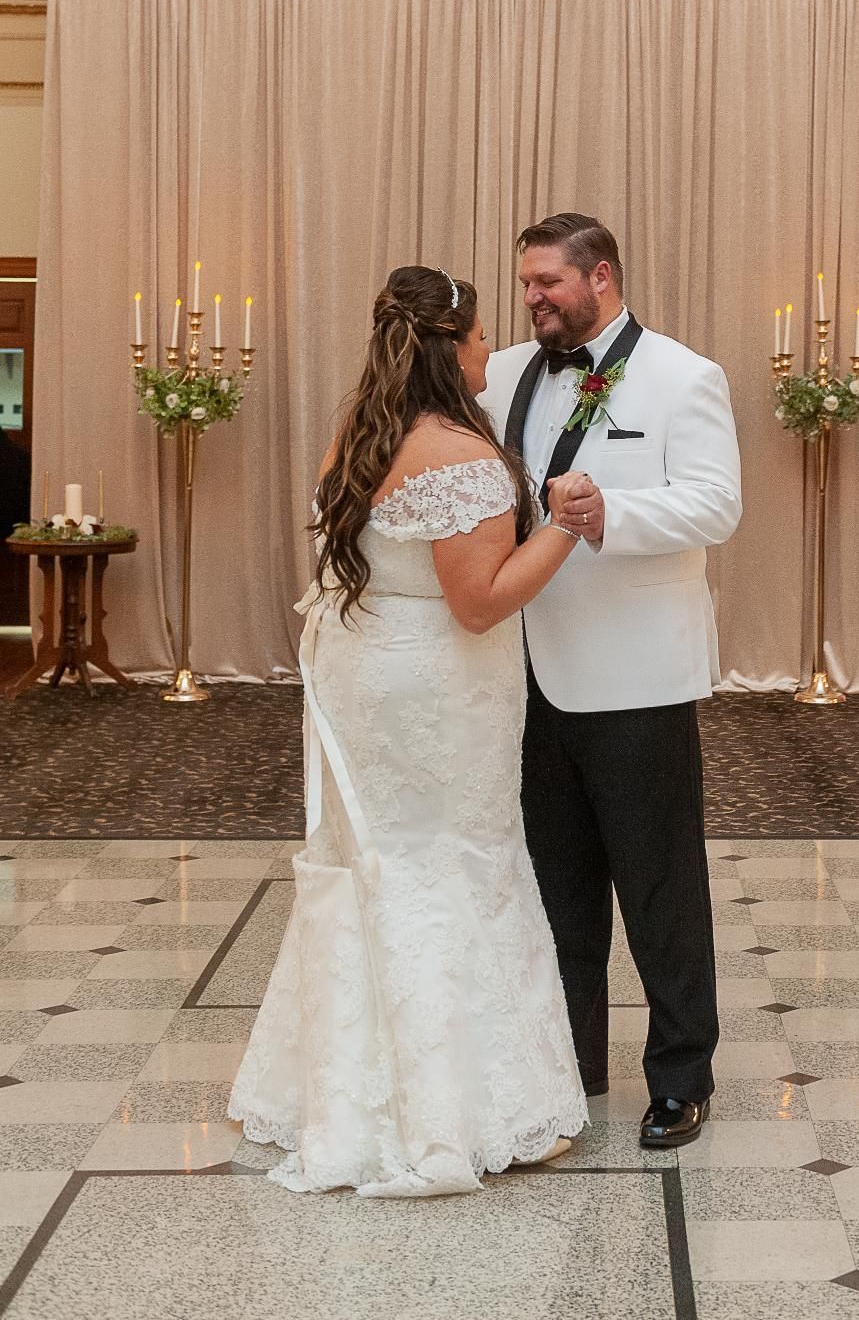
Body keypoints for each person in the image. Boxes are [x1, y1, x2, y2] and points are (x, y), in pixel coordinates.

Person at [228, 265, 590, 1196]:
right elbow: (480, 602)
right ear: (447, 345)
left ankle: (349, 1085)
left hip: (363, 665)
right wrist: (562, 524)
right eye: (477, 338)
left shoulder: (361, 432)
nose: (488, 351)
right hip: (438, 680)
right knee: (454, 859)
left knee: (378, 858)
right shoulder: (459, 455)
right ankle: (461, 1109)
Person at [483, 213, 743, 1151]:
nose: (532, 299)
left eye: (547, 281)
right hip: (522, 671)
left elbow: (717, 503)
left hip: (637, 677)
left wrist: (611, 510)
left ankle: (680, 1077)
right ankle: (568, 1064)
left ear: (601, 275)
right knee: (556, 886)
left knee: (659, 887)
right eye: (525, 284)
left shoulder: (684, 375)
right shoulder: (507, 371)